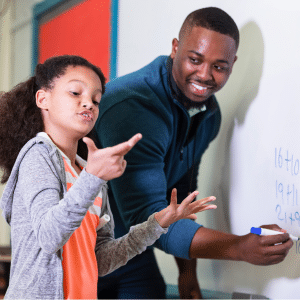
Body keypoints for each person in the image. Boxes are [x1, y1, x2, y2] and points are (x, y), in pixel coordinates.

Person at [95, 6, 293, 299]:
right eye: (195, 59)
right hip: (78, 248)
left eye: (219, 66)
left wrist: (187, 272)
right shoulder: (133, 105)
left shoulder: (208, 116)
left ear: (233, 63)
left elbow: (181, 196)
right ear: (175, 48)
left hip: (130, 249)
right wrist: (238, 247)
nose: (205, 75)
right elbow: (150, 216)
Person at [0, 55, 217, 299]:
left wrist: (157, 225)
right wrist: (93, 177)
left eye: (96, 99)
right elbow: (50, 237)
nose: (88, 104)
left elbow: (100, 260)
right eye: (75, 93)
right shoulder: (38, 156)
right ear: (43, 99)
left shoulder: (87, 170)